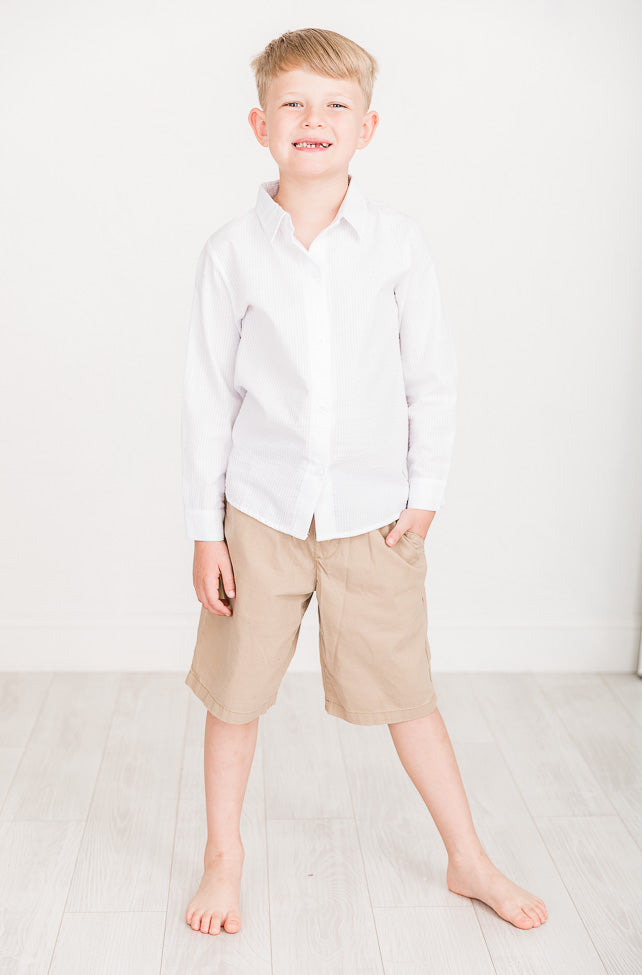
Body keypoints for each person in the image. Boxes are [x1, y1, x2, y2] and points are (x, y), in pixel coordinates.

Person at [180, 27, 548, 938]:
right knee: (234, 696)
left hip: (374, 517)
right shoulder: (231, 253)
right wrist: (205, 528)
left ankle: (468, 855)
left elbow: (431, 376)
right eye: (294, 104)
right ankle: (223, 855)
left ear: (367, 126)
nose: (314, 120)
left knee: (407, 692)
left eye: (336, 105)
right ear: (260, 123)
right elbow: (207, 398)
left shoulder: (397, 246)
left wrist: (426, 492)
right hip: (260, 515)